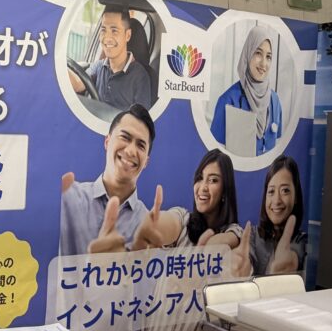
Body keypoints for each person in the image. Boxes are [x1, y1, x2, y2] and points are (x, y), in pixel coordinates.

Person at [60, 103, 157, 256]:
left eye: (140, 145)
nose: (131, 151)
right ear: (107, 142)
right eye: (125, 137)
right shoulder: (69, 199)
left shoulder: (147, 226)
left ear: (146, 162)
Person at [131, 149, 243, 250]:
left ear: (225, 190)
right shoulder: (184, 219)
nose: (203, 187)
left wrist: (209, 247)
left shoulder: (235, 232)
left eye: (213, 180)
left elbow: (230, 238)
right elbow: (170, 222)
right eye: (200, 178)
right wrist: (154, 226)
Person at [210, 24, 283, 156]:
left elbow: (277, 149)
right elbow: (216, 154)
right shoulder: (228, 100)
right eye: (258, 53)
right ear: (248, 53)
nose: (263, 64)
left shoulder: (275, 100)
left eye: (268, 57)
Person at [68, 5, 152, 111]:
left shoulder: (140, 77)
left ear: (128, 35)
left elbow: (140, 118)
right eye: (103, 30)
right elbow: (77, 85)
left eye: (114, 31)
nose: (107, 38)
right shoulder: (98, 66)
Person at [250, 155, 306, 274]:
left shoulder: (303, 241)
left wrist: (293, 261)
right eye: (271, 191)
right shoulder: (253, 235)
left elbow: (297, 253)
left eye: (285, 191)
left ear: (296, 196)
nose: (276, 201)